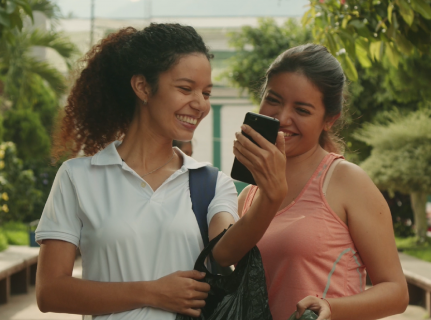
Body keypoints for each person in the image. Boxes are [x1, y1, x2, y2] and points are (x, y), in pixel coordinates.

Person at [35, 23, 287, 320]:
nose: (200, 104)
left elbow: (224, 252)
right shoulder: (77, 177)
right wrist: (152, 292)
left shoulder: (210, 182)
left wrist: (272, 196)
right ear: (142, 87)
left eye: (206, 93)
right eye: (185, 88)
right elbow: (50, 292)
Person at [237, 44, 409, 320]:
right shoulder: (247, 195)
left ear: (329, 120)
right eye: (274, 100)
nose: (282, 118)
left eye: (302, 110)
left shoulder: (346, 181)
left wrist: (331, 307)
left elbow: (396, 293)